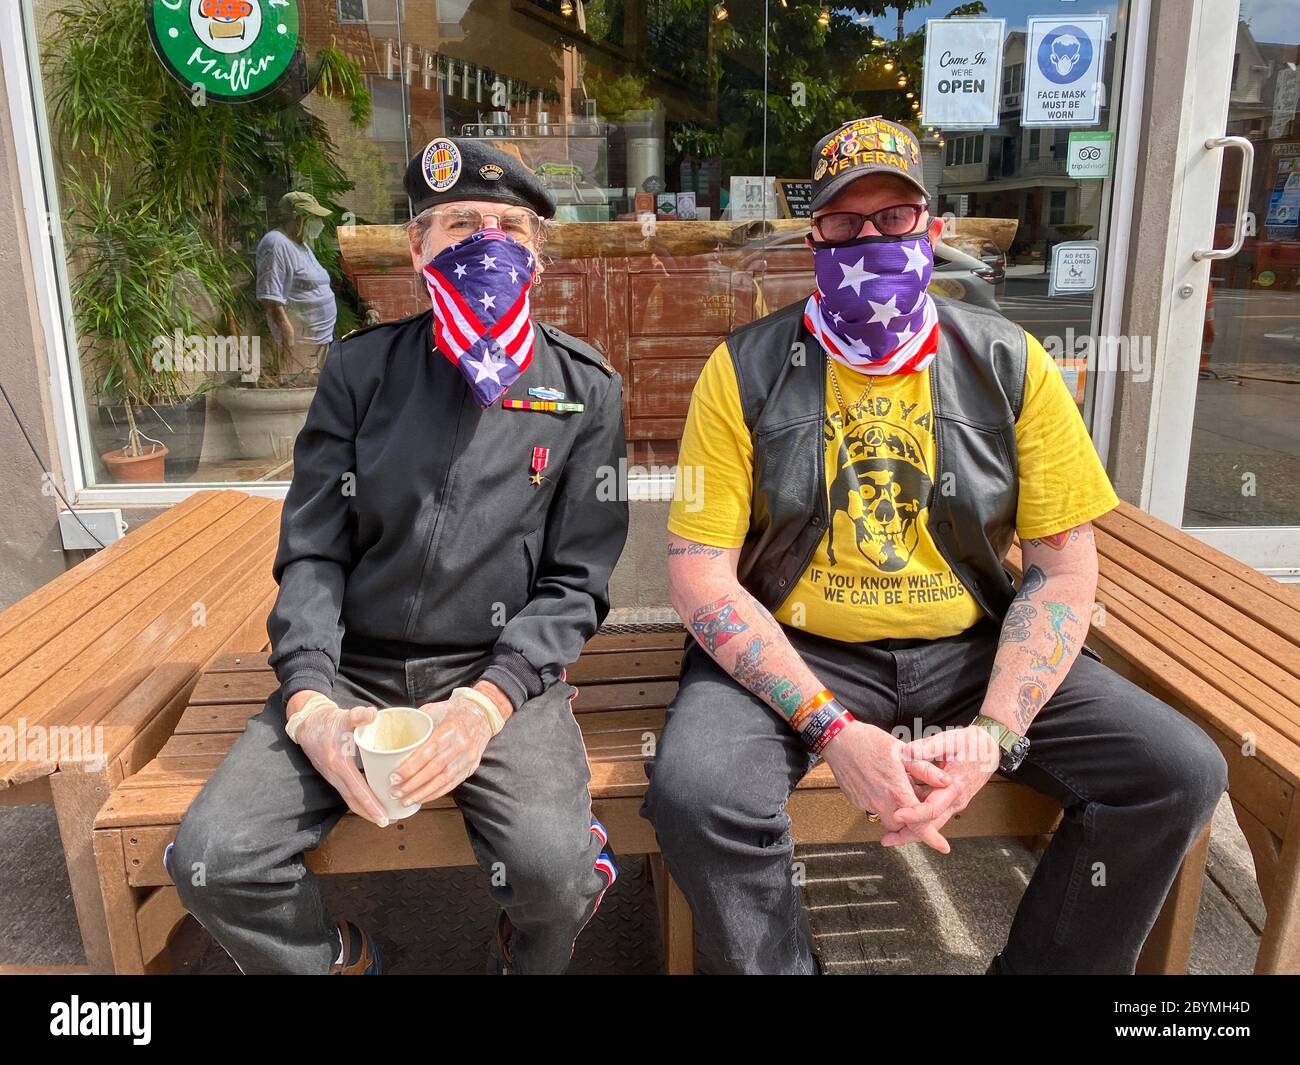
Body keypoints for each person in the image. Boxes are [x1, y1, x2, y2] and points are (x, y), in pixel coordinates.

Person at [642, 116, 1228, 975]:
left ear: (935, 231)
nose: (868, 239)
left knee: (1177, 771)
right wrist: (834, 730)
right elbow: (700, 577)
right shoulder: (744, 368)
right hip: (803, 650)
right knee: (696, 795)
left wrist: (995, 730)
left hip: (969, 649)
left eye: (894, 219)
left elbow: (1065, 572)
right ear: (815, 237)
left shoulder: (1011, 361)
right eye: (844, 223)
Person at [167, 138, 630, 974]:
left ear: (537, 252)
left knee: (556, 876)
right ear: (417, 245)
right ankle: (341, 958)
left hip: (499, 676)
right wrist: (308, 699)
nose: (486, 241)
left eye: (509, 226)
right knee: (214, 858)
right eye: (460, 223)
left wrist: (489, 702)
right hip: (352, 668)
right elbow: (312, 551)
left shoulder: (583, 387)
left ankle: (518, 952)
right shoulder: (359, 371)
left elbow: (576, 582)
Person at [255, 191, 338, 381]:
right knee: (298, 393)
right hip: (299, 344)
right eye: (314, 217)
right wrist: (288, 339)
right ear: (297, 218)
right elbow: (271, 297)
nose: (319, 223)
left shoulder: (301, 244)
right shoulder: (276, 243)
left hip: (317, 339)